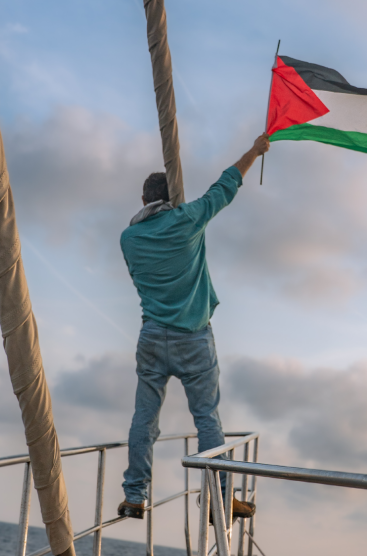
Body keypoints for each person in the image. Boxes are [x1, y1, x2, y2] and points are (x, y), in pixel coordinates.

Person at [117, 134, 271, 520]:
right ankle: (219, 500)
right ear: (173, 197)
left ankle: (135, 496)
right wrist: (254, 150)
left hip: (152, 336)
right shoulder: (189, 218)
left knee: (144, 417)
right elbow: (226, 184)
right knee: (206, 418)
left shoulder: (128, 238)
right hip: (194, 337)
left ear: (143, 199)